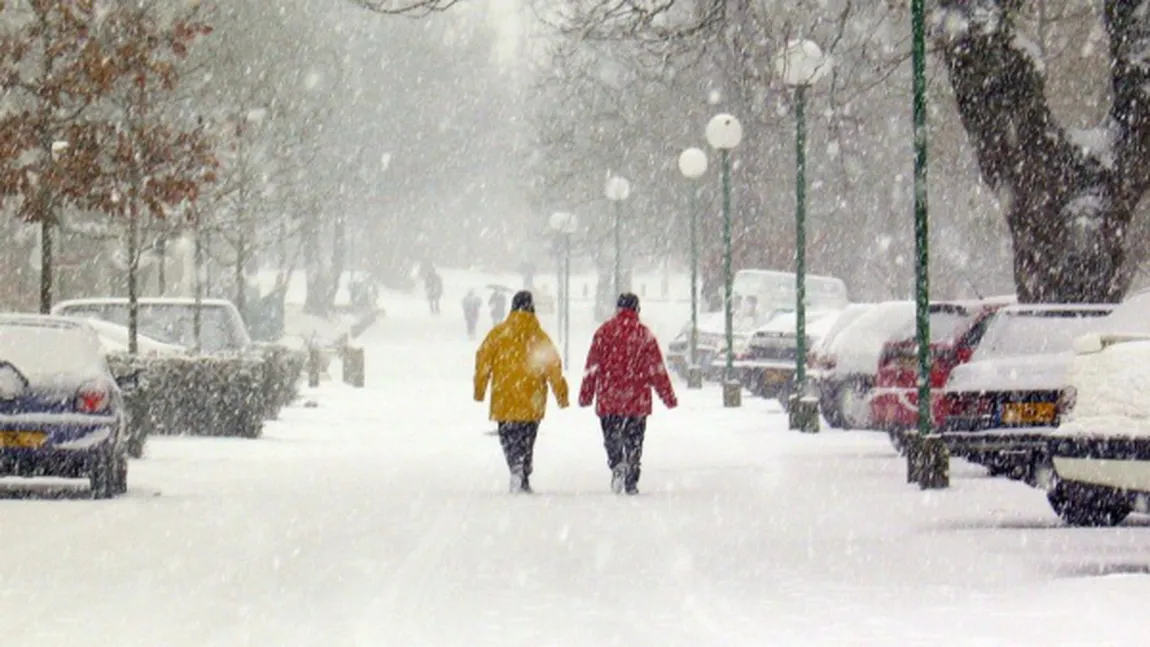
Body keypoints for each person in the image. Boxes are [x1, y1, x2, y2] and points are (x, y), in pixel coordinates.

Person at [579, 293, 677, 495]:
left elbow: (592, 366)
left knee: (611, 437)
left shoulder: (604, 332)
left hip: (609, 398)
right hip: (636, 401)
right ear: (637, 310)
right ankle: (631, 478)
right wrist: (668, 397)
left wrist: (586, 394)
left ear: (618, 309)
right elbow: (656, 370)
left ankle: (616, 464)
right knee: (634, 440)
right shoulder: (644, 335)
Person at [474, 291, 569, 493]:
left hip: (504, 396)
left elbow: (483, 361)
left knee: (508, 437)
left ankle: (514, 465)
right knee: (528, 438)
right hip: (532, 398)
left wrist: (480, 390)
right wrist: (561, 395)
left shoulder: (498, 334)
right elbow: (553, 367)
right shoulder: (540, 337)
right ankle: (524, 471)